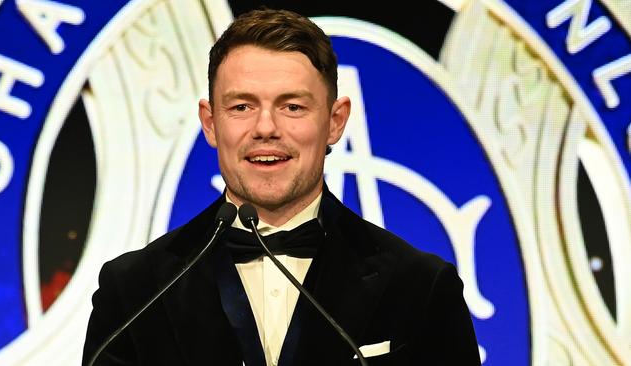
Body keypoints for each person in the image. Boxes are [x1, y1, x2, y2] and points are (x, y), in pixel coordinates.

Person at [82, 8, 481, 366]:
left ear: (335, 120)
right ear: (210, 122)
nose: (266, 128)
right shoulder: (134, 292)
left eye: (292, 106)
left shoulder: (420, 288)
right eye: (242, 106)